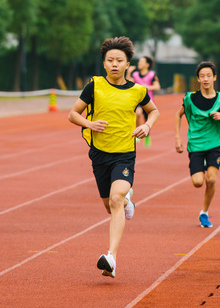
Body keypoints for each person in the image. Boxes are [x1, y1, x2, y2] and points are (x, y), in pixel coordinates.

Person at [68, 36, 159, 279]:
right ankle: (129, 203)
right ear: (104, 63)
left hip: (125, 154)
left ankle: (111, 258)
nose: (115, 64)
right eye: (110, 60)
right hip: (99, 154)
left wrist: (147, 127)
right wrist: (90, 123)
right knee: (110, 206)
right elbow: (73, 114)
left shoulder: (139, 90)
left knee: (116, 197)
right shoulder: (94, 87)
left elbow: (154, 111)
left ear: (128, 64)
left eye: (120, 60)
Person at [174, 61, 220, 228]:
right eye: (202, 76)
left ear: (214, 77)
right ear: (198, 79)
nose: (206, 79)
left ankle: (204, 212)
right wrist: (178, 138)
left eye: (209, 75)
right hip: (195, 145)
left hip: (214, 145)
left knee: (211, 179)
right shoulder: (190, 98)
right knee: (197, 182)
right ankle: (201, 166)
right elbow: (178, 114)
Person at [126, 55, 161, 147]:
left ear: (147, 64)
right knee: (137, 113)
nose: (139, 63)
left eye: (141, 62)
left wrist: (147, 87)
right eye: (139, 62)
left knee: (147, 120)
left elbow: (157, 86)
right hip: (137, 100)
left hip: (148, 101)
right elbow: (128, 83)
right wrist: (128, 72)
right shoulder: (135, 74)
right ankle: (137, 133)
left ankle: (147, 136)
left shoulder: (152, 75)